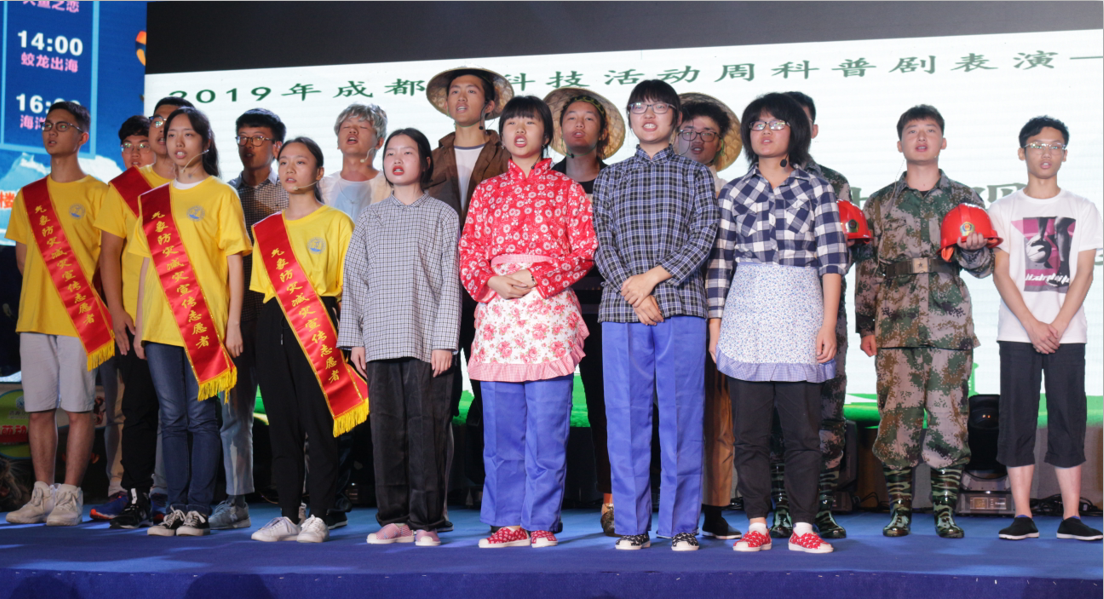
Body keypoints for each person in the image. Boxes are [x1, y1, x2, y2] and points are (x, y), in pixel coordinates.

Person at [708, 93, 847, 555]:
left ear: (796, 131)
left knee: (802, 433)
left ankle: (804, 525)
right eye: (757, 124)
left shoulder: (817, 189)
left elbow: (832, 262)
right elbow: (720, 264)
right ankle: (756, 523)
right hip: (746, 313)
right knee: (749, 434)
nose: (765, 132)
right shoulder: (734, 191)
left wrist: (828, 324)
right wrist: (715, 327)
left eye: (776, 123)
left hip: (800, 312)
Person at [459, 96, 595, 548]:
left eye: (529, 123)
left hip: (548, 315)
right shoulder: (487, 191)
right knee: (501, 432)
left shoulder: (566, 189)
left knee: (547, 429)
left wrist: (537, 276)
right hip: (500, 316)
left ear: (546, 134)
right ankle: (506, 521)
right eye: (511, 123)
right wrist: (493, 279)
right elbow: (469, 251)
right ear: (501, 134)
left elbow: (584, 251)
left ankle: (541, 521)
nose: (519, 131)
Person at [855, 105, 993, 539]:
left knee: (949, 420)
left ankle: (945, 512)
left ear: (943, 141)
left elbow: (984, 267)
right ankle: (899, 512)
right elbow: (867, 268)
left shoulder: (964, 198)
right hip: (895, 328)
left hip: (949, 328)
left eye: (930, 130)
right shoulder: (880, 202)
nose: (921, 138)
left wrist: (973, 248)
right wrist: (865, 325)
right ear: (899, 144)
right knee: (896, 421)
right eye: (912, 131)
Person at [592, 80, 718, 551]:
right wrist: (634, 290)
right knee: (625, 420)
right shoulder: (610, 177)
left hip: (681, 304)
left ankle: (681, 524)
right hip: (622, 309)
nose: (648, 115)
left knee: (682, 417)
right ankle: (631, 525)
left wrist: (651, 280)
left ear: (676, 119)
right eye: (639, 107)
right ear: (629, 117)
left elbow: (704, 235)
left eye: (659, 107)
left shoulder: (695, 174)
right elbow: (599, 240)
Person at [132, 107, 251, 537]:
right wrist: (142, 325)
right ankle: (175, 507)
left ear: (206, 141)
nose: (178, 143)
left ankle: (198, 507)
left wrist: (233, 323)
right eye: (171, 135)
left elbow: (235, 261)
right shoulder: (153, 201)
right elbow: (147, 265)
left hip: (205, 322)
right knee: (171, 417)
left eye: (188, 134)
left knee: (202, 417)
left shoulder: (222, 195)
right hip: (159, 324)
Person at [340, 129, 460, 548]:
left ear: (424, 163)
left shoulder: (442, 215)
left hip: (426, 341)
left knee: (427, 431)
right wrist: (355, 337)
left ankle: (427, 520)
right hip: (379, 340)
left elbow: (450, 282)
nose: (397, 159)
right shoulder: (371, 217)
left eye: (407, 152)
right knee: (386, 432)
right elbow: (355, 279)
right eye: (391, 152)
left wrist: (444, 341)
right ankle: (394, 518)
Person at [989, 116, 1102, 542]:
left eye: (1055, 146)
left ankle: (1071, 516)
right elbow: (1001, 273)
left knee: (1068, 419)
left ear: (1065, 155)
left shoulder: (1083, 208)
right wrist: (1033, 325)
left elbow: (1085, 273)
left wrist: (1056, 324)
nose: (1046, 153)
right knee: (1016, 419)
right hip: (1018, 332)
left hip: (1067, 333)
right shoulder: (1003, 209)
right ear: (1022, 152)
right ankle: (1023, 514)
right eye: (1037, 145)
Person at [249, 137, 365, 544]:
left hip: (319, 326)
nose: (290, 169)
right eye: (284, 162)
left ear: (318, 172)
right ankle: (287, 514)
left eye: (300, 162)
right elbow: (264, 290)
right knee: (282, 426)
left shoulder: (337, 223)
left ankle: (320, 513)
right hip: (273, 325)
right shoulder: (266, 229)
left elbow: (351, 289)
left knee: (320, 426)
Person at [4, 101, 111, 526]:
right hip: (34, 317)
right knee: (38, 409)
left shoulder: (99, 193)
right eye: (47, 125)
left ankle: (70, 496)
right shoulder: (28, 195)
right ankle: (42, 493)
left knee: (80, 407)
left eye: (62, 126)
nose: (51, 132)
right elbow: (22, 261)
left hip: (80, 318)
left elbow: (107, 261)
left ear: (82, 137)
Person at [762, 91, 856, 540]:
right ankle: (782, 506)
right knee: (774, 416)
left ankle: (821, 507)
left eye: (792, 121)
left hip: (823, 314)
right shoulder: (754, 181)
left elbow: (844, 253)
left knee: (826, 413)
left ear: (809, 129)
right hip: (769, 316)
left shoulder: (832, 183)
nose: (781, 130)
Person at [425, 66, 514, 519]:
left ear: (490, 104)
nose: (461, 97)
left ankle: (489, 488)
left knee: (492, 391)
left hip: (493, 290)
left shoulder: (508, 152)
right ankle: (434, 497)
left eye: (472, 91)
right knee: (438, 393)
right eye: (454, 91)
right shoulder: (430, 156)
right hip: (438, 289)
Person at [94, 105, 189, 527]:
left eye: (176, 125)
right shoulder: (125, 188)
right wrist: (117, 312)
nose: (165, 131)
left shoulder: (202, 187)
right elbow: (109, 254)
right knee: (138, 408)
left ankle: (185, 498)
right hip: (140, 319)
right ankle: (136, 495)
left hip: (188, 317)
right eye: (158, 123)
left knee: (189, 415)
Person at [543, 87, 625, 536]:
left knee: (606, 408)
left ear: (603, 132)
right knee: (546, 411)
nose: (578, 125)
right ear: (559, 130)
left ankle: (612, 499)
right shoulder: (543, 183)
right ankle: (541, 507)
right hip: (550, 310)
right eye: (570, 117)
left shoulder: (618, 182)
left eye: (588, 118)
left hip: (604, 310)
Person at [210, 108, 289, 531]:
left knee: (286, 412)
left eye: (257, 138)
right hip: (234, 319)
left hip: (279, 318)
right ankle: (236, 500)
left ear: (276, 146)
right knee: (234, 415)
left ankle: (294, 500)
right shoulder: (223, 194)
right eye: (242, 137)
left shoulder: (291, 194)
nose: (248, 146)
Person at [676, 92, 743, 541]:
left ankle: (715, 507)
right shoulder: (659, 185)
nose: (697, 140)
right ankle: (669, 506)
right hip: (670, 311)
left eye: (708, 134)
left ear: (720, 144)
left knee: (720, 416)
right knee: (671, 414)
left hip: (723, 313)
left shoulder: (730, 192)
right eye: (689, 131)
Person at [320, 103, 390, 222]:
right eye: (346, 127)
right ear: (338, 142)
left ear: (379, 142)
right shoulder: (322, 187)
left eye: (362, 127)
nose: (352, 130)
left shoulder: (390, 186)